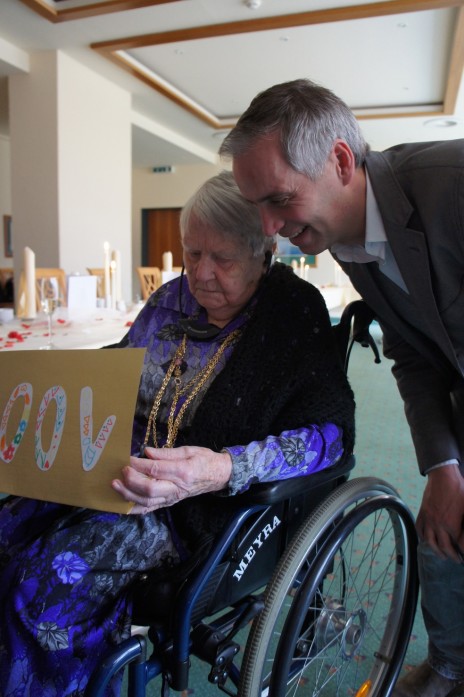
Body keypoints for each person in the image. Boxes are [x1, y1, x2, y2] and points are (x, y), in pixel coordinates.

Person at [0, 170, 355, 696]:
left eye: (223, 259)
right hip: (104, 469)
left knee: (38, 588)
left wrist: (218, 468)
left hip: (186, 510)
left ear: (264, 252)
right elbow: (121, 364)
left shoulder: (290, 315)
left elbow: (329, 436)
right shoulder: (170, 299)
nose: (201, 275)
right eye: (191, 254)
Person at [219, 78, 464, 697]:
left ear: (340, 161)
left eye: (279, 200)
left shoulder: (452, 186)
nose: (271, 229)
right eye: (260, 209)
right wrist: (443, 465)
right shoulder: (343, 236)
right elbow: (413, 350)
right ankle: (452, 662)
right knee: (441, 525)